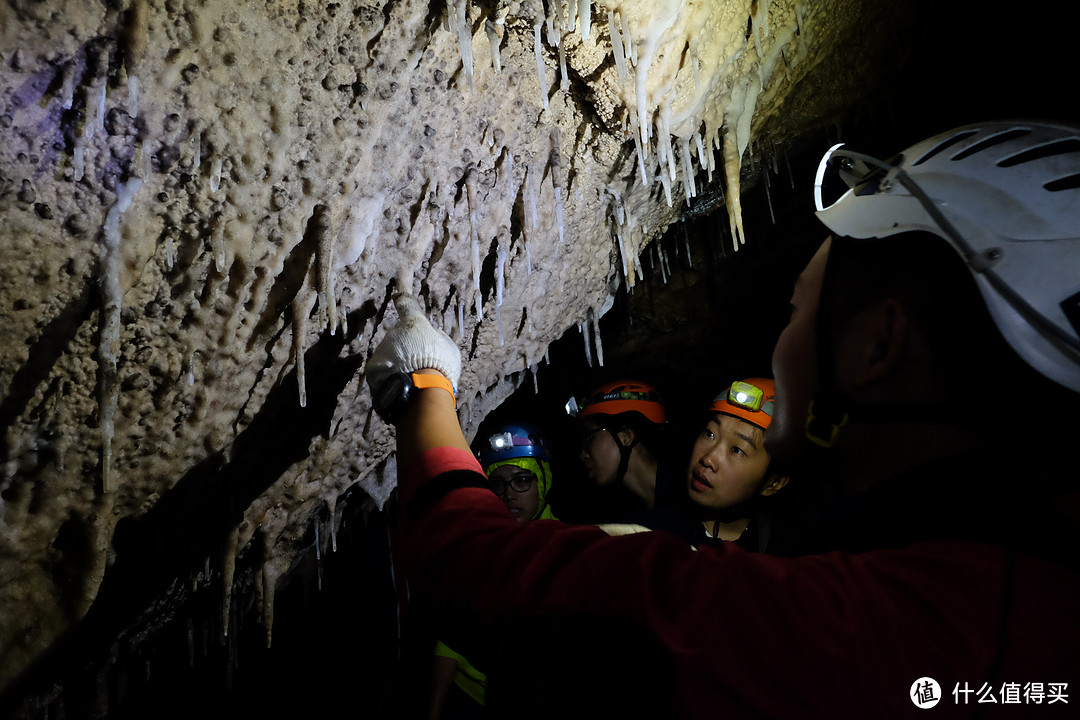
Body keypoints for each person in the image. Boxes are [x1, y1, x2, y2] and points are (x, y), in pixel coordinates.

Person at [368, 120, 1080, 717]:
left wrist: (426, 387)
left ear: (877, 346)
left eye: (798, 311)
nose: (783, 335)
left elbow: (468, 568)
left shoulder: (851, 633)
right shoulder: (1017, 598)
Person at [427, 423, 558, 718]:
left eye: (522, 480)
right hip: (468, 696)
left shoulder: (565, 547)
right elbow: (450, 636)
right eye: (497, 483)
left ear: (543, 482)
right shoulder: (473, 547)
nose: (509, 494)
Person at [675, 378, 791, 551]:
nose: (708, 459)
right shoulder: (647, 537)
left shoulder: (788, 561)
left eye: (737, 450)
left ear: (773, 483)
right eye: (710, 434)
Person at [570, 379, 675, 523]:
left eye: (590, 437)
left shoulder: (689, 498)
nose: (583, 454)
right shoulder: (627, 517)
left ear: (626, 436)